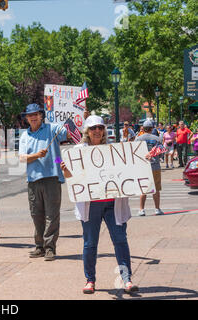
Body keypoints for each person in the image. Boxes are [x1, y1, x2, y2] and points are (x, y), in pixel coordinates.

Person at [60, 115, 139, 295]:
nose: (97, 131)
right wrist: (63, 167)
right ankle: (90, 280)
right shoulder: (79, 150)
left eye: (100, 128)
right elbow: (63, 166)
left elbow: (129, 168)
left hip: (113, 204)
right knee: (90, 244)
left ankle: (127, 280)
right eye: (93, 128)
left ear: (104, 130)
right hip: (90, 206)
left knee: (120, 240)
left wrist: (141, 159)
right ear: (87, 131)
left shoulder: (112, 149)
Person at [18, 103, 70, 261]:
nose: (33, 117)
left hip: (52, 177)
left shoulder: (52, 129)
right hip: (33, 179)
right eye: (30, 115)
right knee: (36, 214)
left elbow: (67, 134)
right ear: (26, 118)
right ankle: (39, 246)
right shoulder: (24, 136)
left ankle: (50, 248)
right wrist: (36, 155)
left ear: (41, 115)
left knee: (52, 215)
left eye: (36, 114)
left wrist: (76, 119)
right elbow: (21, 158)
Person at [135, 120, 164, 216]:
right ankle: (157, 209)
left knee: (144, 189)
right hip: (155, 165)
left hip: (143, 167)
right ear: (152, 128)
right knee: (156, 189)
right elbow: (161, 151)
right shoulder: (157, 138)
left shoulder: (138, 139)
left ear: (143, 128)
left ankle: (141, 209)